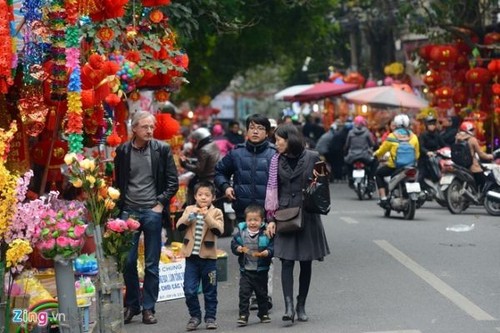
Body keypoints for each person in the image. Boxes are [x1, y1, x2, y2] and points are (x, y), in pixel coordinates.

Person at [114, 110, 179, 325]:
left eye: (152, 127)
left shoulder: (162, 149)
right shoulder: (123, 151)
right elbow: (119, 183)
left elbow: (172, 182)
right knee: (128, 260)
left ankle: (148, 308)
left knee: (152, 264)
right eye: (145, 127)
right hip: (129, 211)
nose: (150, 130)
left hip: (152, 211)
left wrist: (160, 204)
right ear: (134, 128)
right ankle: (132, 304)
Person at [265, 123, 330, 324]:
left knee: (305, 262)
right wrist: (270, 219)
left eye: (278, 140)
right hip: (284, 215)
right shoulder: (275, 160)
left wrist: (317, 182)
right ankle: (288, 307)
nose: (276, 144)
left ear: (290, 139)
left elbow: (323, 183)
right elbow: (271, 191)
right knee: (286, 261)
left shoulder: (312, 157)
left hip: (308, 215)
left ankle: (301, 305)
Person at [214, 114, 276, 309]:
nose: (255, 131)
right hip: (243, 213)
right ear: (246, 131)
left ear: (267, 132)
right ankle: (247, 293)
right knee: (246, 253)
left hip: (267, 215)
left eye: (259, 128)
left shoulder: (274, 155)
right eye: (252, 127)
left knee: (266, 253)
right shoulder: (236, 153)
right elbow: (219, 171)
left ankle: (264, 295)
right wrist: (225, 187)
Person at [176, 181, 224, 331]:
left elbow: (219, 230)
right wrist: (191, 216)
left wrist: (207, 216)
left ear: (213, 197)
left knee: (210, 290)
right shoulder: (190, 209)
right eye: (200, 195)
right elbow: (179, 226)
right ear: (195, 196)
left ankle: (210, 318)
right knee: (189, 290)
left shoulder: (216, 212)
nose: (203, 198)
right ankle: (195, 316)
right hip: (191, 258)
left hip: (209, 259)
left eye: (207, 195)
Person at [231, 204, 274, 326]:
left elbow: (273, 246)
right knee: (244, 294)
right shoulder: (241, 233)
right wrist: (237, 248)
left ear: (262, 221)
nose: (253, 223)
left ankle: (263, 313)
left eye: (256, 220)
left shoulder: (266, 233)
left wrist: (268, 252)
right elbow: (233, 244)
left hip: (261, 270)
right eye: (250, 220)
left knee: (262, 294)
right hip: (246, 271)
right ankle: (243, 315)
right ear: (245, 220)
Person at [373, 114, 420, 208]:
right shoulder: (414, 137)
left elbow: (382, 150)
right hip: (410, 166)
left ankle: (383, 198)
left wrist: (375, 154)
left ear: (396, 124)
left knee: (378, 174)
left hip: (394, 166)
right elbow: (417, 154)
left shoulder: (392, 136)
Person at [180, 127, 221, 205]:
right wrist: (190, 160)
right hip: (214, 175)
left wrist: (185, 164)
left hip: (207, 177)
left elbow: (199, 169)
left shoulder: (204, 150)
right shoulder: (213, 144)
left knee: (192, 184)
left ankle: (191, 206)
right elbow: (206, 161)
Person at [454, 121, 494, 191]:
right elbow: (481, 155)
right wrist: (491, 156)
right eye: (472, 130)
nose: (473, 131)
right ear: (468, 130)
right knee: (484, 183)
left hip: (460, 166)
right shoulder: (472, 139)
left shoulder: (457, 138)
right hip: (472, 167)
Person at [344, 115, 378, 188]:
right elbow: (372, 144)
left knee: (347, 163)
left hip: (352, 156)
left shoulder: (350, 132)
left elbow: (347, 145)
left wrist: (346, 151)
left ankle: (350, 178)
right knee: (375, 162)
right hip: (365, 156)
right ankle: (371, 180)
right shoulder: (367, 132)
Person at [418, 115, 446, 183]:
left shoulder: (437, 135)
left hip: (436, 158)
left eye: (433, 124)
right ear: (426, 125)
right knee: (421, 176)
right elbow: (421, 147)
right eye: (430, 124)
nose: (432, 126)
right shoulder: (423, 135)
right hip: (425, 159)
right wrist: (427, 152)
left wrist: (447, 149)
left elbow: (443, 145)